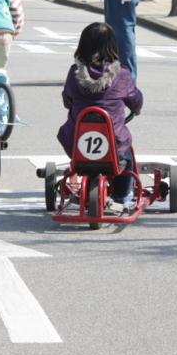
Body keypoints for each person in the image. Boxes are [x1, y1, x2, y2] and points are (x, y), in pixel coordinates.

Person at [57, 22, 143, 214]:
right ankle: (122, 195)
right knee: (126, 154)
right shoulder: (121, 75)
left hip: (77, 142)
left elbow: (67, 99)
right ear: (112, 46)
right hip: (113, 142)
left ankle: (80, 177)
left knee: (75, 133)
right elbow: (134, 99)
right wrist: (136, 108)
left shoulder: (74, 73)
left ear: (83, 46)